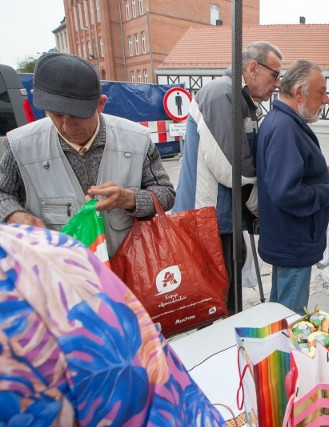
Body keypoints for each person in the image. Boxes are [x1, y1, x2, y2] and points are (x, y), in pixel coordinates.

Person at [0, 223, 225, 426]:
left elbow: (162, 190)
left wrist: (131, 199)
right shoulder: (49, 254)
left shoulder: (49, 256)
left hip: (131, 250)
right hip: (101, 258)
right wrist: (14, 212)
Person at [0, 52, 175, 257]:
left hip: (126, 271)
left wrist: (130, 198)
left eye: (77, 116)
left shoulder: (137, 139)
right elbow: (4, 193)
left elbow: (166, 195)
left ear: (100, 104)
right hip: (58, 273)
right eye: (56, 115)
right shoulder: (20, 145)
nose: (67, 126)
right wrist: (13, 214)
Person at [173, 41, 283, 314]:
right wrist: (263, 207)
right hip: (208, 218)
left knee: (227, 296)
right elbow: (233, 168)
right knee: (215, 302)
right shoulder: (221, 93)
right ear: (253, 68)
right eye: (275, 75)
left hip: (225, 218)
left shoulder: (242, 100)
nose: (278, 84)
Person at [256, 59, 329, 315]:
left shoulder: (283, 121)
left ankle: (275, 350)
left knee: (279, 311)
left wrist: (319, 171)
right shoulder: (285, 127)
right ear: (299, 93)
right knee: (291, 318)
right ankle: (282, 354)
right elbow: (287, 192)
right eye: (321, 92)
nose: (326, 100)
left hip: (288, 239)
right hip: (293, 241)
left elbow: (288, 172)